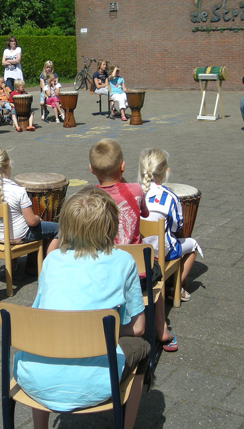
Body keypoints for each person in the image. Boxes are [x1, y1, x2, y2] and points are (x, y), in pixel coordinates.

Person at [13, 187, 149, 429]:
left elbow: (41, 313)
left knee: (42, 340)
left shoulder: (51, 260)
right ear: (111, 225)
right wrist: (102, 333)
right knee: (143, 348)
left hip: (34, 379)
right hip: (98, 384)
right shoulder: (124, 261)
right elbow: (138, 327)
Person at [89, 139, 177, 351]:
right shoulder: (136, 190)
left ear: (91, 169)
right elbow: (144, 214)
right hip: (138, 271)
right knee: (157, 276)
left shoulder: (90, 196)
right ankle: (162, 330)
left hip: (104, 268)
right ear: (123, 166)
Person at [139, 148, 203, 303]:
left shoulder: (135, 192)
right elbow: (176, 227)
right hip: (161, 251)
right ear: (166, 172)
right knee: (193, 245)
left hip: (139, 250)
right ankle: (176, 287)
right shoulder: (170, 197)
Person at [0, 147, 59, 261]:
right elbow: (31, 222)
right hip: (19, 236)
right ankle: (51, 264)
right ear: (9, 164)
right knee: (60, 229)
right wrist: (38, 218)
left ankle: (14, 265)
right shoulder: (18, 190)